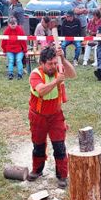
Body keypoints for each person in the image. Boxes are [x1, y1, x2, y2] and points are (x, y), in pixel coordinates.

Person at [27, 47, 76, 189]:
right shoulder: (35, 74)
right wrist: (56, 81)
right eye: (50, 64)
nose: (53, 66)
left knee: (59, 146)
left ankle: (62, 175)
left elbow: (73, 74)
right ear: (42, 63)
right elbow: (42, 90)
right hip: (38, 116)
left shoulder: (58, 70)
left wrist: (64, 60)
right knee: (38, 145)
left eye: (55, 63)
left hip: (55, 115)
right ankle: (37, 170)